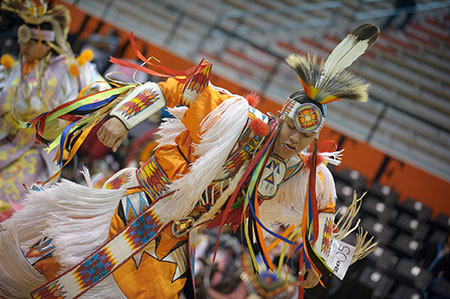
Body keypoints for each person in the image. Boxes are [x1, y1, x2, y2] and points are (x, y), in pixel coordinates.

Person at [0, 24, 379, 298]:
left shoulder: (300, 170)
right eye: (292, 128)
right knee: (52, 263)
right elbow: (170, 87)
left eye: (306, 137)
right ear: (281, 117)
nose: (295, 140)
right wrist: (121, 117)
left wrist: (316, 259)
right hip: (134, 204)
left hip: (173, 241)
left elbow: (323, 209)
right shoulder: (233, 116)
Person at [0, 0, 108, 219]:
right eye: (24, 41)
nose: (25, 47)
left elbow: (101, 92)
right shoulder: (17, 68)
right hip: (6, 141)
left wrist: (72, 119)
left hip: (37, 153)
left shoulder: (75, 69)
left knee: (9, 203)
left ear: (46, 43)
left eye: (31, 42)